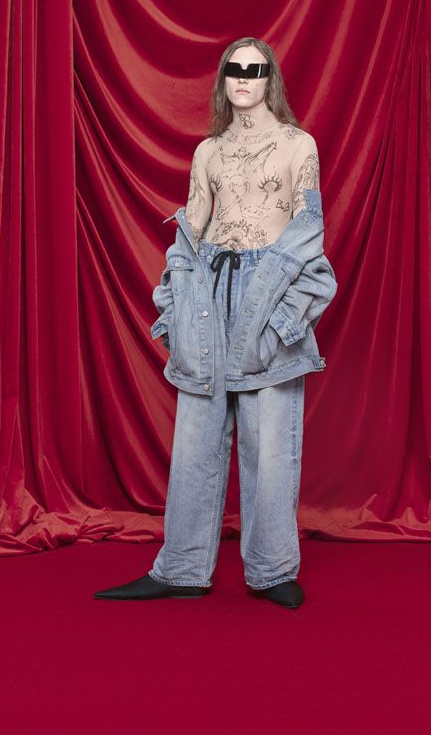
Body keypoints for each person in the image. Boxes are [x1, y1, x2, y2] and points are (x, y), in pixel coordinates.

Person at [94, 38, 337, 609]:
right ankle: (182, 568)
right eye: (235, 68)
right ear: (224, 79)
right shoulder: (208, 151)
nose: (245, 77)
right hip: (209, 293)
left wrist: (281, 319)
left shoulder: (297, 144)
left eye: (256, 68)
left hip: (266, 289)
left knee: (271, 442)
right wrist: (177, 299)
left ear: (270, 77)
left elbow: (308, 230)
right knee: (195, 440)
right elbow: (194, 226)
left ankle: (273, 571)